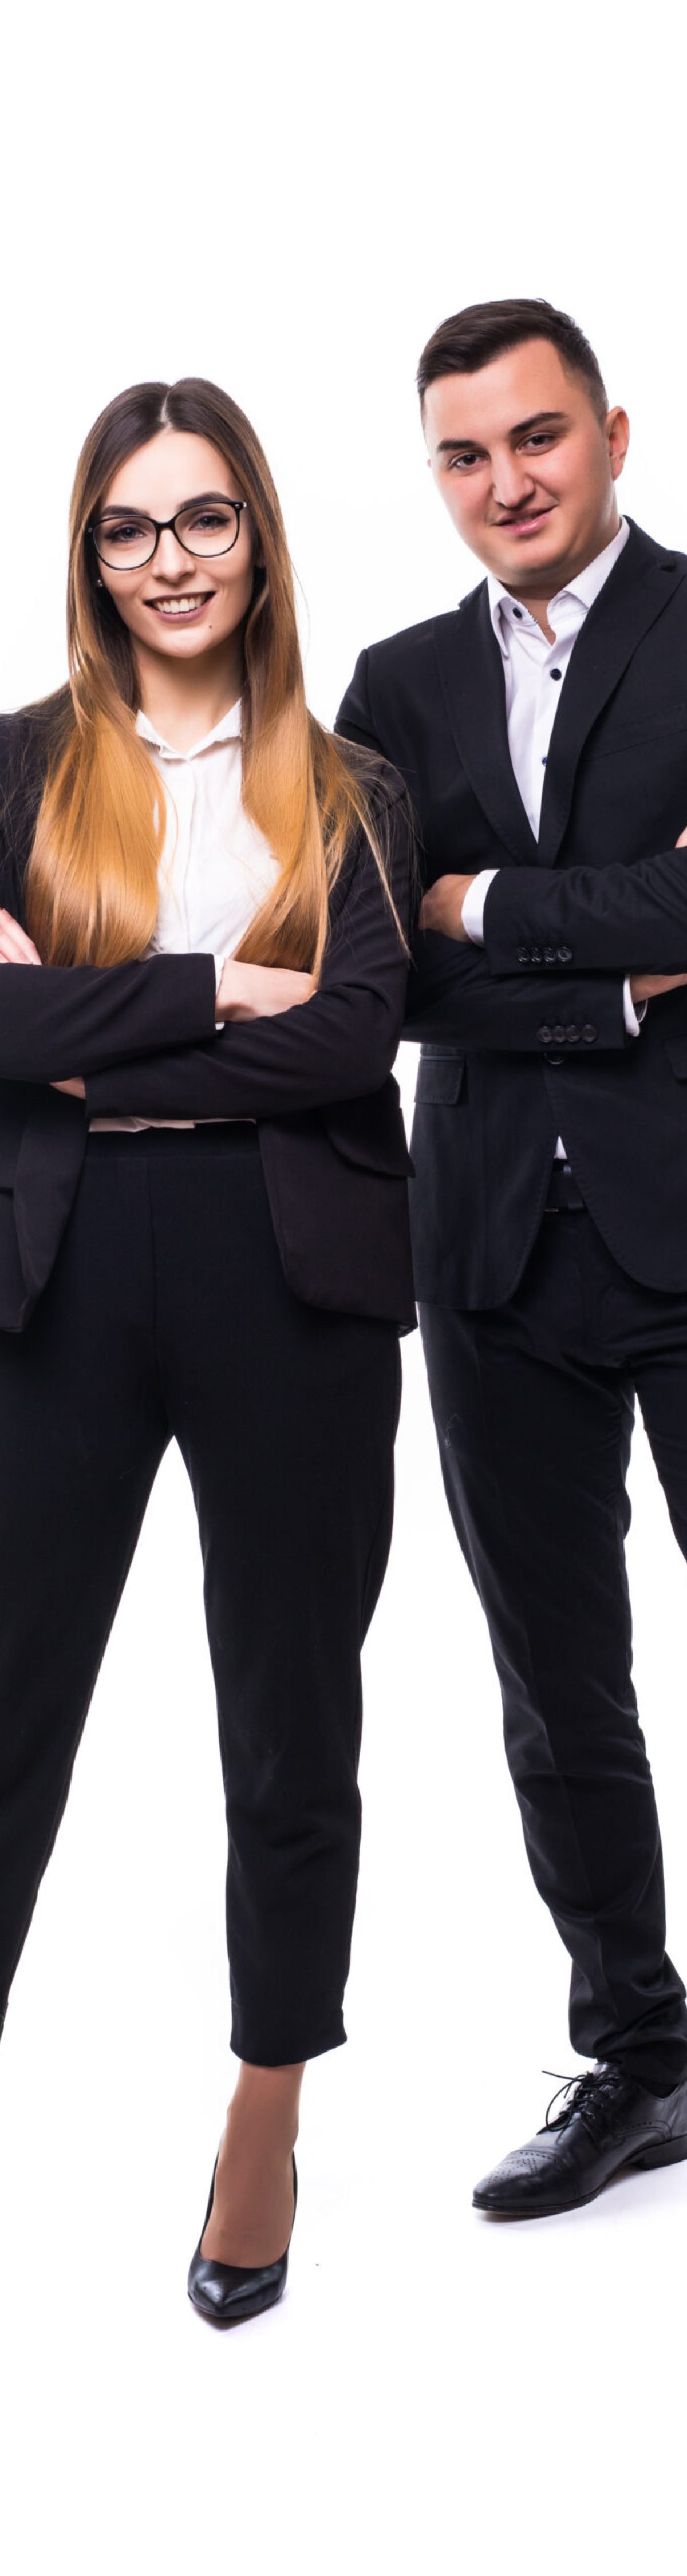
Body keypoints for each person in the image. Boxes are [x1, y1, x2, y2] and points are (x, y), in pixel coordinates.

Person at [0, 374, 415, 2322]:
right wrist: (217, 980)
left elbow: (354, 1038)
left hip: (290, 1276)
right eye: (128, 526)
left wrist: (87, 1014)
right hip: (59, 1275)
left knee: (289, 1718)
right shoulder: (11, 771)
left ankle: (269, 2100)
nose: (170, 558)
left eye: (203, 517)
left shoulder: (352, 787)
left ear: (258, 534)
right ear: (91, 558)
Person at [336, 297, 687, 2219]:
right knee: (560, 1674)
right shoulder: (394, 688)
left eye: (536, 439)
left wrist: (495, 906)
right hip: (488, 1248)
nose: (507, 484)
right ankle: (641, 2051)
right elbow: (381, 967)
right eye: (466, 456)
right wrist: (628, 972)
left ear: (613, 432)